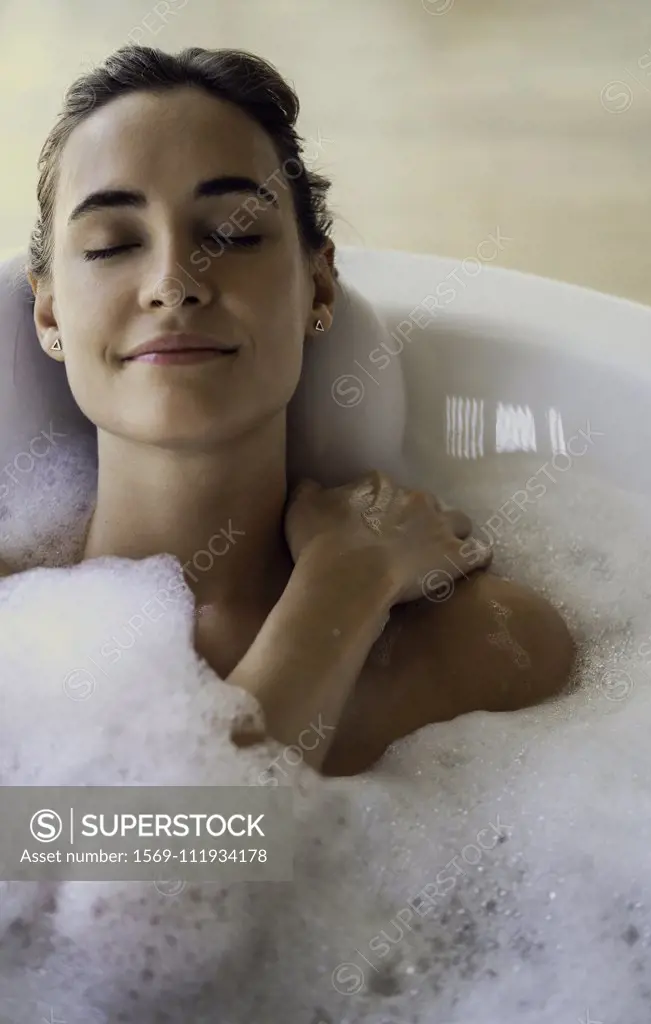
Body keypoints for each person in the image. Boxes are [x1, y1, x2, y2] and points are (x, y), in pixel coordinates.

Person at [8, 43, 574, 778]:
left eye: (234, 233)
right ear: (49, 314)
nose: (173, 282)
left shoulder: (483, 643)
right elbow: (143, 877)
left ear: (320, 288)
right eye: (114, 244)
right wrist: (344, 582)